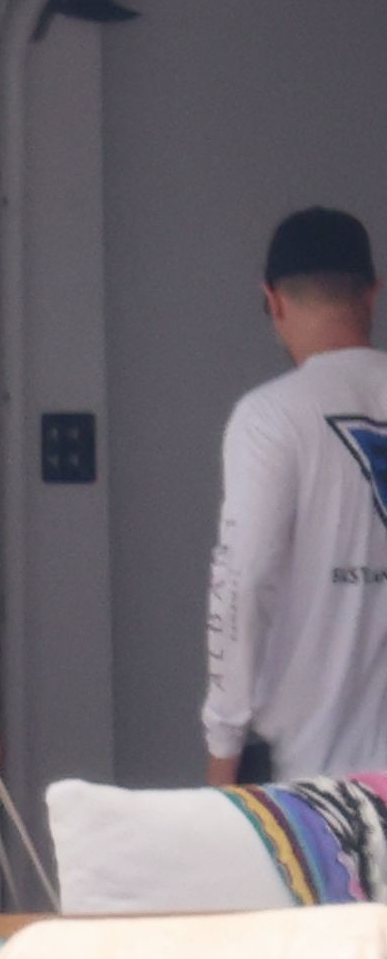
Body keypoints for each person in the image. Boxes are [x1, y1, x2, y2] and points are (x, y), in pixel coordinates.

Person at [203, 207, 387, 786]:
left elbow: (244, 582)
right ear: (372, 295)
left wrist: (223, 748)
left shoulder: (270, 418)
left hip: (307, 782)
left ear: (274, 301)